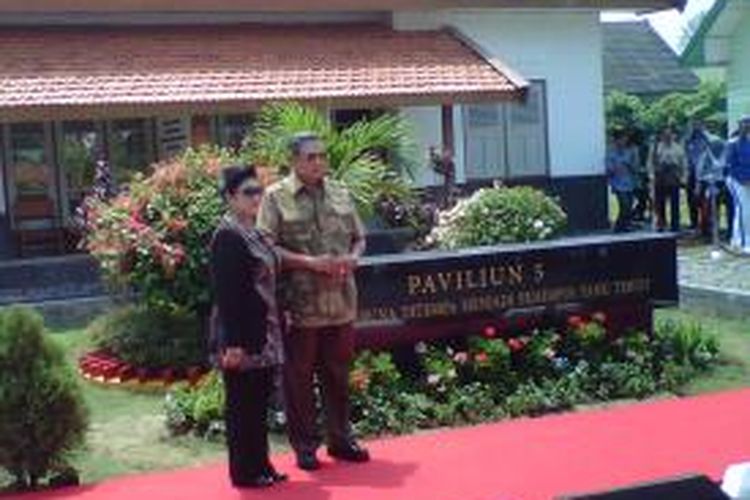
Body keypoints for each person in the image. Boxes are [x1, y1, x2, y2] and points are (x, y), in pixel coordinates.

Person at [257, 132, 370, 471]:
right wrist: (309, 263)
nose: (319, 162)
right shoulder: (276, 197)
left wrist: (353, 257)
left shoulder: (339, 191)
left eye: (323, 156)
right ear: (294, 160)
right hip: (300, 306)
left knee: (337, 374)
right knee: (299, 379)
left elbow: (360, 237)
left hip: (340, 301)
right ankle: (305, 446)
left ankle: (340, 439)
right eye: (311, 157)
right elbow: (266, 248)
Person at [209, 165, 287, 488]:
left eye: (259, 191)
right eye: (248, 193)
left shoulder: (254, 231)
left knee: (258, 402)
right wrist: (234, 344)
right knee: (242, 406)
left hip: (265, 332)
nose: (256, 198)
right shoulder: (227, 235)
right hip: (241, 337)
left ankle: (262, 465)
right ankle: (244, 472)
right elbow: (229, 296)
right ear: (230, 197)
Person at [649, 126, 687, 233]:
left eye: (670, 135)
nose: (668, 137)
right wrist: (651, 176)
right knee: (660, 203)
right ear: (661, 136)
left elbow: (683, 164)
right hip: (660, 177)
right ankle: (661, 223)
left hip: (673, 177)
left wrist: (683, 177)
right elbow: (650, 163)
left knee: (675, 203)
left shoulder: (678, 148)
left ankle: (675, 225)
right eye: (665, 135)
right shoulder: (656, 147)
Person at [725, 116, 750, 253]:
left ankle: (735, 240)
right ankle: (745, 243)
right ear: (739, 126)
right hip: (736, 181)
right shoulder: (733, 143)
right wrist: (743, 179)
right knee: (744, 210)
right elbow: (730, 166)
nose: (746, 126)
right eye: (744, 123)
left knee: (745, 211)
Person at [606, 130, 636, 232]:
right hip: (618, 183)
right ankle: (618, 225)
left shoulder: (629, 152)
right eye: (622, 139)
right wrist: (615, 168)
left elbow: (634, 167)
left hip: (629, 182)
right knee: (624, 204)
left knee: (630, 204)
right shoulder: (611, 153)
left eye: (625, 139)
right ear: (617, 140)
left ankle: (624, 225)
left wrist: (630, 165)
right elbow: (609, 169)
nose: (624, 141)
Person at [684, 120, 711, 231]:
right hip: (691, 173)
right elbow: (685, 156)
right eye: (693, 125)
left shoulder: (707, 140)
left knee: (704, 200)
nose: (695, 128)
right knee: (691, 199)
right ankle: (694, 223)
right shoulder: (688, 141)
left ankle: (705, 224)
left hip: (704, 174)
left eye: (698, 125)